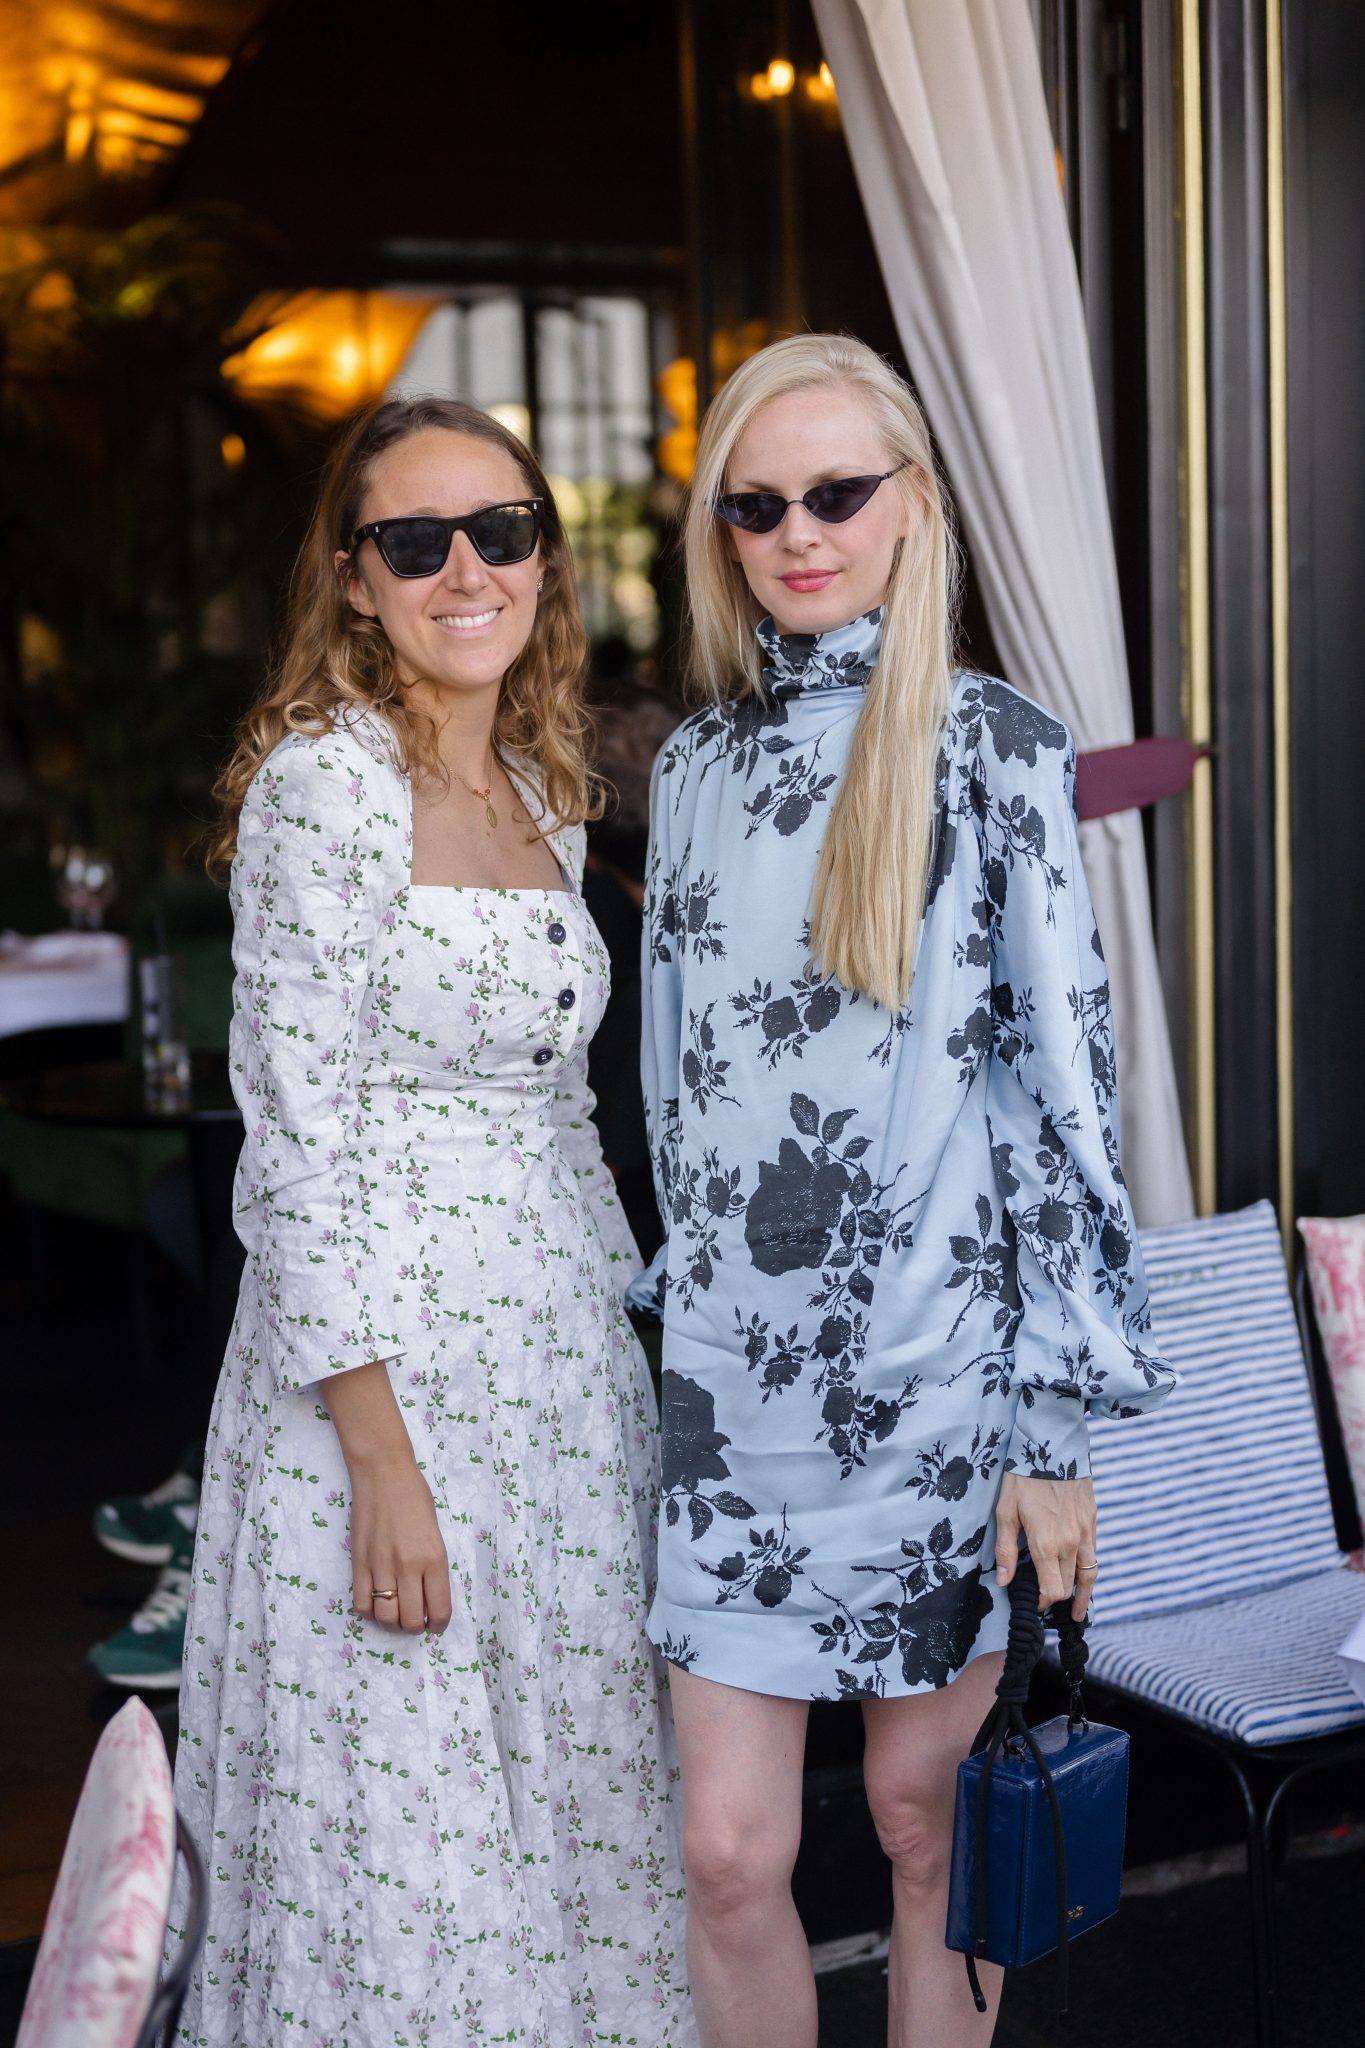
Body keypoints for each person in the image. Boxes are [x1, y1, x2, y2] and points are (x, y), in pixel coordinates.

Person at [630, 333, 1177, 2048]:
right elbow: (669, 1095)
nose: (799, 532)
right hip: (729, 1410)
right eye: (756, 505)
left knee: (922, 1829)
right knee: (724, 1855)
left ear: (912, 505)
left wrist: (1054, 1435)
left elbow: (1058, 1101)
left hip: (938, 1390)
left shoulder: (995, 746)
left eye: (837, 494)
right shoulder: (693, 769)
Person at [169, 396, 696, 2046]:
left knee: (563, 1817)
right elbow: (295, 1158)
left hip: (551, 1376)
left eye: (504, 530)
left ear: (548, 552)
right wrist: (381, 1470)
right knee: (404, 1848)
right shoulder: (325, 792)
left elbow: (558, 1107)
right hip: (380, 1394)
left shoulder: (545, 785)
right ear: (353, 581)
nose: (467, 569)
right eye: (417, 543)